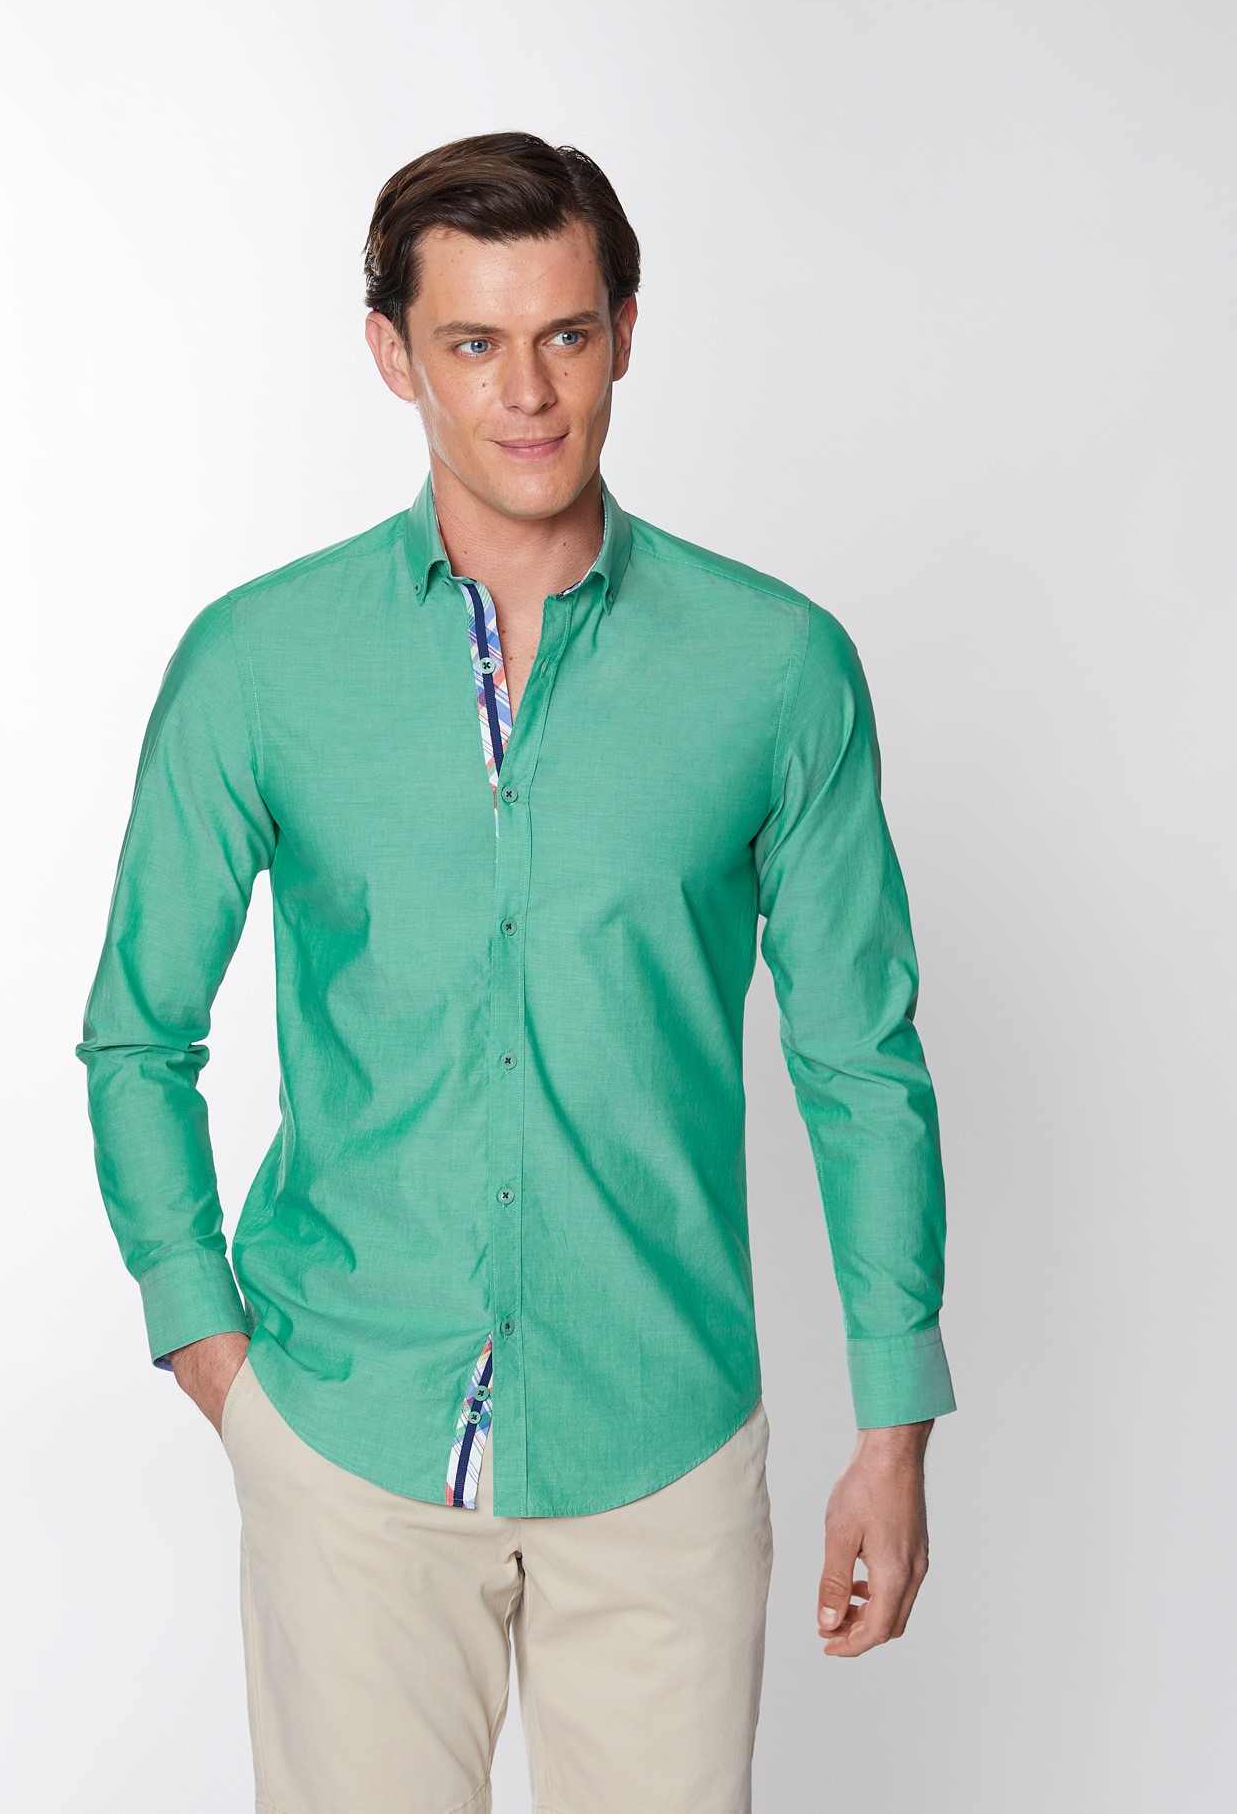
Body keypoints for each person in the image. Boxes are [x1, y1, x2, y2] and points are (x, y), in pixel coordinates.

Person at [76, 129, 957, 1814]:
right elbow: (138, 1034)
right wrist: (214, 1356)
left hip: (665, 1446)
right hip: (349, 1441)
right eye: (473, 342)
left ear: (625, 330)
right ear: (391, 353)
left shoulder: (777, 669)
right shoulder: (259, 664)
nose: (528, 392)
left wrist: (894, 1421)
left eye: (565, 333)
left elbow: (861, 1058)